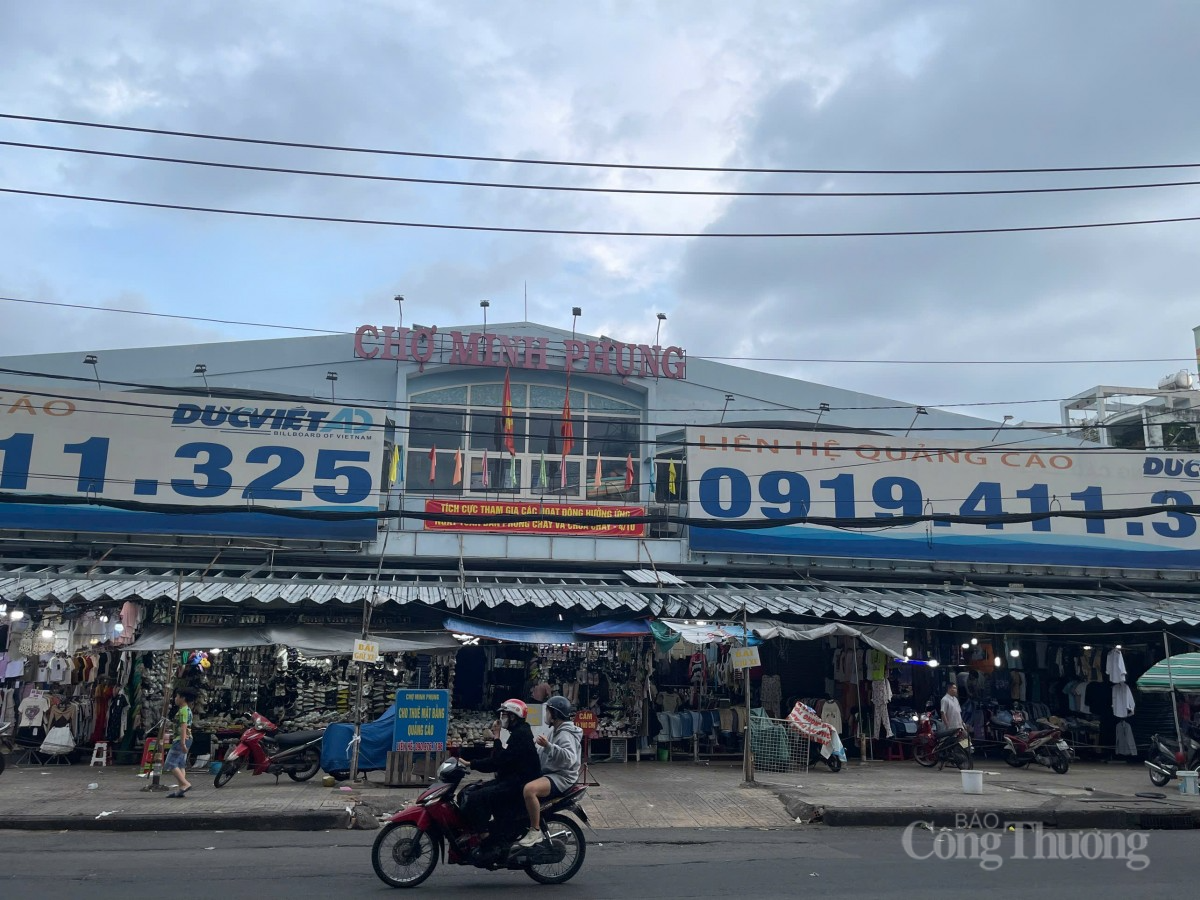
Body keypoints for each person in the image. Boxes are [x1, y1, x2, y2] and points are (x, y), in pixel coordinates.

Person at [463, 699, 541, 832]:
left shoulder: (520, 735)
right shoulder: (520, 732)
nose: (502, 718)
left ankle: (484, 838)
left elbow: (497, 761)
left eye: (504, 715)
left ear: (512, 716)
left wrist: (471, 764)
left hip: (517, 784)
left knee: (476, 798)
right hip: (511, 779)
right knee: (470, 790)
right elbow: (501, 759)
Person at [516, 695, 583, 848]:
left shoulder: (565, 734)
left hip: (562, 777)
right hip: (553, 773)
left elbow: (569, 758)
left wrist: (548, 746)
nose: (545, 714)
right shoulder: (556, 731)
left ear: (555, 714)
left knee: (529, 790)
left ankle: (535, 830)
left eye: (548, 711)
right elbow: (545, 753)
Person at [165, 687, 196, 798]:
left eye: (177, 696)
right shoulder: (187, 710)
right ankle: (181, 789)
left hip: (181, 739)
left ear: (183, 698)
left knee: (171, 763)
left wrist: (182, 743)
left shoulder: (183, 710)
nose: (175, 699)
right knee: (180, 764)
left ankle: (185, 784)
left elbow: (183, 727)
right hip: (187, 738)